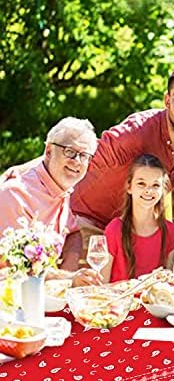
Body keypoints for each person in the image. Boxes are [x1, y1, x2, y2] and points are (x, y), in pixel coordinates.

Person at [70, 66, 174, 237]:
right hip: (84, 219)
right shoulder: (135, 133)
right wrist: (32, 182)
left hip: (127, 232)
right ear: (167, 101)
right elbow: (77, 157)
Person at [0, 117, 101, 286]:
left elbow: (73, 233)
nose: (77, 161)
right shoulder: (15, 195)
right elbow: (15, 269)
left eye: (84, 156)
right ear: (48, 151)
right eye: (69, 151)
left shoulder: (61, 189)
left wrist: (68, 273)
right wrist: (68, 279)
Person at [101, 154, 174, 282]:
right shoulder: (114, 230)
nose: (148, 190)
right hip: (120, 300)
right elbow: (102, 285)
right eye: (141, 184)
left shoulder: (171, 232)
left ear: (163, 189)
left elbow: (167, 283)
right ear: (129, 187)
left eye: (155, 185)